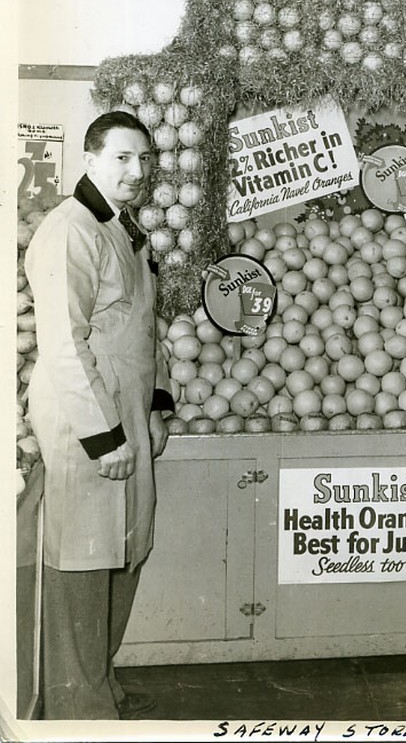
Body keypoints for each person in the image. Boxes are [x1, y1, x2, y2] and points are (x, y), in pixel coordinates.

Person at [25, 110, 174, 719]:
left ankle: (99, 680)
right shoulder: (70, 229)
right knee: (83, 562)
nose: (136, 171)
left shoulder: (121, 226)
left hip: (127, 411)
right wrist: (104, 436)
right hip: (85, 420)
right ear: (89, 160)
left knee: (127, 548)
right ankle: (76, 707)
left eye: (144, 159)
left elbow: (144, 325)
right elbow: (63, 343)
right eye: (121, 158)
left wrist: (157, 404)